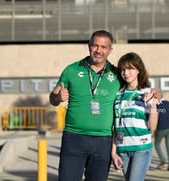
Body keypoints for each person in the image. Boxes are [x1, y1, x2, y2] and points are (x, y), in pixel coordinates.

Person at [49, 30, 123, 181]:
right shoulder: (72, 70)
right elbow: (52, 99)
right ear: (89, 46)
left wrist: (152, 95)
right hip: (74, 138)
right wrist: (58, 97)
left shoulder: (117, 74)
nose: (98, 50)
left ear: (110, 50)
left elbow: (136, 88)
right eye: (95, 45)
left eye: (103, 47)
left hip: (104, 141)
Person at [111, 52, 159, 181]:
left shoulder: (147, 93)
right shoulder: (118, 95)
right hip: (123, 150)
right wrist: (113, 152)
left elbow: (152, 127)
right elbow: (115, 126)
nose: (126, 73)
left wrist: (153, 106)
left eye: (130, 68)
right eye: (123, 69)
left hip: (141, 149)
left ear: (139, 70)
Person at [154, 96, 169, 171]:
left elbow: (156, 116)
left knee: (157, 144)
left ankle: (163, 161)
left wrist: (154, 129)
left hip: (161, 127)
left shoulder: (157, 104)